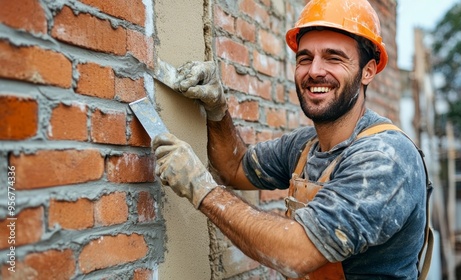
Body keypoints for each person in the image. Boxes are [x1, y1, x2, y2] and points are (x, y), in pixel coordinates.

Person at [153, 0, 432, 278]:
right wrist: (217, 110)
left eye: (334, 58)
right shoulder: (303, 146)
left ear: (367, 71)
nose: (314, 71)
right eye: (305, 58)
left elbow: (296, 252)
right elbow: (234, 166)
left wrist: (202, 190)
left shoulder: (385, 157)